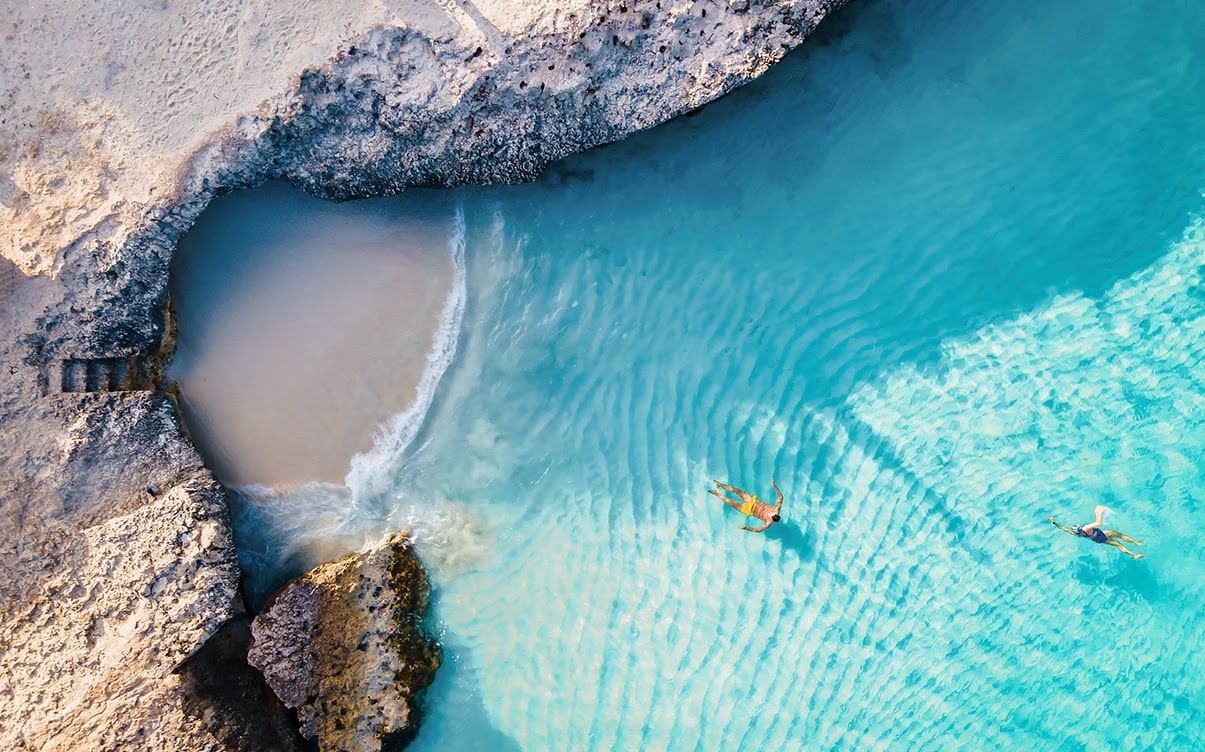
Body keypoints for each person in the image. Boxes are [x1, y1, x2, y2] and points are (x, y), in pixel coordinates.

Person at [1048, 505, 1144, 559]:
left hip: (1098, 540)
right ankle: (1137, 543)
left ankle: (1134, 554)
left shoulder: (1076, 534)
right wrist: (1098, 512)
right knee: (1121, 536)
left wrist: (1054, 522)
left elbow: (1064, 528)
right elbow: (1099, 522)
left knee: (1117, 544)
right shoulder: (1086, 528)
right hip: (1101, 533)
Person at [710, 478, 783, 533]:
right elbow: (780, 497)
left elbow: (758, 530)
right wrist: (774, 485)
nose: (770, 514)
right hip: (752, 501)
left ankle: (715, 493)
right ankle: (720, 485)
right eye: (773, 514)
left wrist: (746, 528)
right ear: (776, 513)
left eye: (771, 516)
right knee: (737, 490)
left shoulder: (768, 522)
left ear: (772, 519)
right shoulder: (776, 509)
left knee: (730, 502)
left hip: (748, 510)